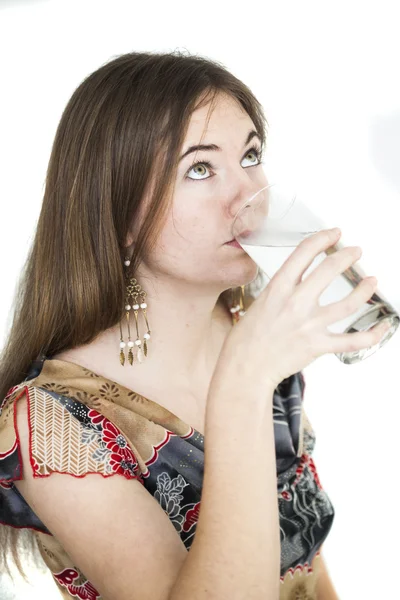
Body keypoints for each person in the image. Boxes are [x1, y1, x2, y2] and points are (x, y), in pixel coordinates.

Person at [1, 50, 383, 600]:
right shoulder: (52, 423)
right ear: (120, 217)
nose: (247, 196)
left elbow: (306, 563)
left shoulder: (247, 328)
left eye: (250, 155)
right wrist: (244, 384)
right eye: (199, 168)